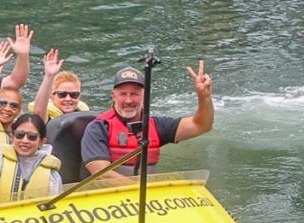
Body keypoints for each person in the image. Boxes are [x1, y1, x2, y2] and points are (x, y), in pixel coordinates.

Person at [81, 61, 214, 178]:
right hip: (111, 198)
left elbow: (201, 125)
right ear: (113, 96)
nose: (128, 100)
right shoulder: (98, 127)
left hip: (148, 200)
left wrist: (204, 97)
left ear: (144, 95)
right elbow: (100, 171)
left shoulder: (157, 125)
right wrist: (139, 191)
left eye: (134, 94)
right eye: (123, 94)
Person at [0, 62, 62, 202]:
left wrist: (49, 77)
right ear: (13, 136)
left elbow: (40, 112)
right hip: (0, 220)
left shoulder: (51, 170)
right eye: (20, 135)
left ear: (42, 142)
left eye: (32, 137)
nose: (25, 140)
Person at [31, 48, 90, 118]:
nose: (68, 99)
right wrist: (49, 76)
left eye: (74, 94)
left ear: (79, 97)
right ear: (52, 96)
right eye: (62, 94)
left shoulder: (85, 116)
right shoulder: (46, 117)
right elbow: (39, 112)